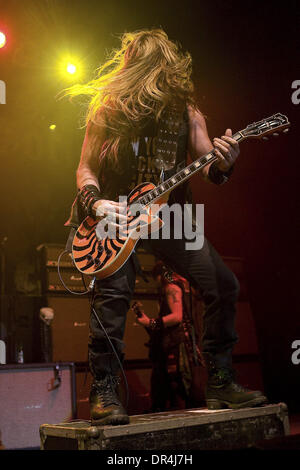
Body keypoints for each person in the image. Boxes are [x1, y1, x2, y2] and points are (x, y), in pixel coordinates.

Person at [65, 28, 267, 426]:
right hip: (117, 213)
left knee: (222, 283)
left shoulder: (187, 111)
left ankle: (222, 380)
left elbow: (209, 163)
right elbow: (85, 167)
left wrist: (226, 160)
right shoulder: (108, 108)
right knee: (113, 296)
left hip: (169, 216)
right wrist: (97, 202)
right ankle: (105, 388)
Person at [134, 261, 203, 412]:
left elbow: (176, 317)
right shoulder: (184, 286)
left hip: (178, 346)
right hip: (184, 343)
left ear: (159, 277)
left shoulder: (171, 288)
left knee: (178, 388)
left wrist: (150, 322)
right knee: (185, 389)